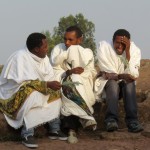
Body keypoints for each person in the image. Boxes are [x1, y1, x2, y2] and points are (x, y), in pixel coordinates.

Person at [0, 33, 67, 148]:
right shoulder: (20, 57)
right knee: (32, 96)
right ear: (36, 49)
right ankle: (27, 134)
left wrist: (55, 84)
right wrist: (46, 84)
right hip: (13, 94)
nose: (48, 48)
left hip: (38, 88)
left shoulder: (44, 58)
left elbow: (49, 77)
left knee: (56, 93)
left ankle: (54, 129)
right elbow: (23, 84)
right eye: (45, 47)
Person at [50, 26, 97, 143]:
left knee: (74, 84)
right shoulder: (58, 49)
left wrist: (79, 74)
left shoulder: (86, 53)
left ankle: (72, 131)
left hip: (82, 84)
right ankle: (86, 117)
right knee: (69, 86)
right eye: (65, 39)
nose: (67, 42)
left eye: (70, 40)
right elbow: (52, 70)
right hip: (61, 82)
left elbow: (91, 72)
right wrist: (68, 72)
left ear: (79, 40)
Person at [95, 29, 143, 132]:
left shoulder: (135, 50)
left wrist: (128, 53)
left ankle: (132, 121)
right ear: (112, 41)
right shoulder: (104, 47)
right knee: (113, 84)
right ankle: (111, 120)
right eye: (117, 43)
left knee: (129, 83)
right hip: (107, 86)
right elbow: (109, 74)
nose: (120, 46)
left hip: (124, 88)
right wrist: (122, 75)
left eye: (124, 43)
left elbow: (133, 75)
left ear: (129, 43)